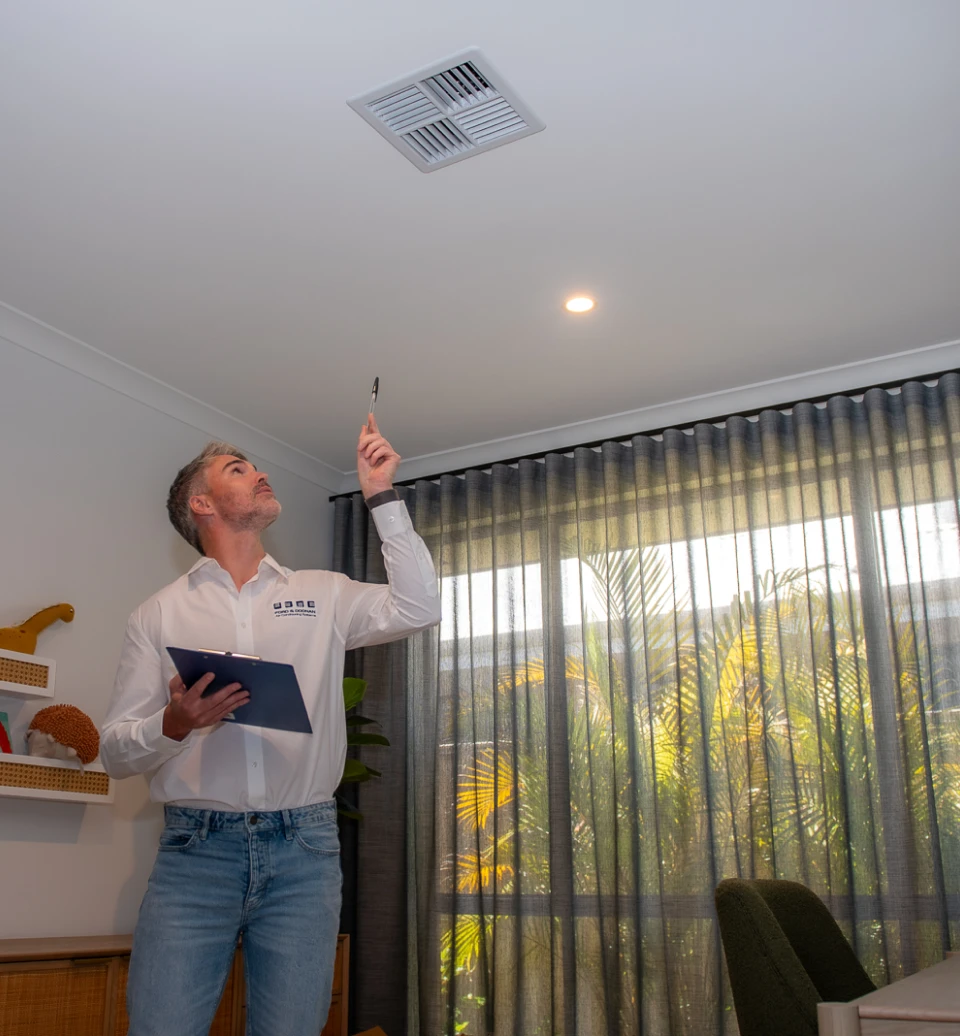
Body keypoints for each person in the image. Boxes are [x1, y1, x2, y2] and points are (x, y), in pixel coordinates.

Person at [100, 415, 440, 1036]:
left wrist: (381, 496)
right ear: (201, 504)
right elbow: (116, 753)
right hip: (193, 856)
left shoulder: (325, 593)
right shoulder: (157, 615)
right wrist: (173, 724)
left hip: (305, 853)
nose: (260, 473)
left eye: (256, 465)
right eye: (238, 469)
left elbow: (419, 606)